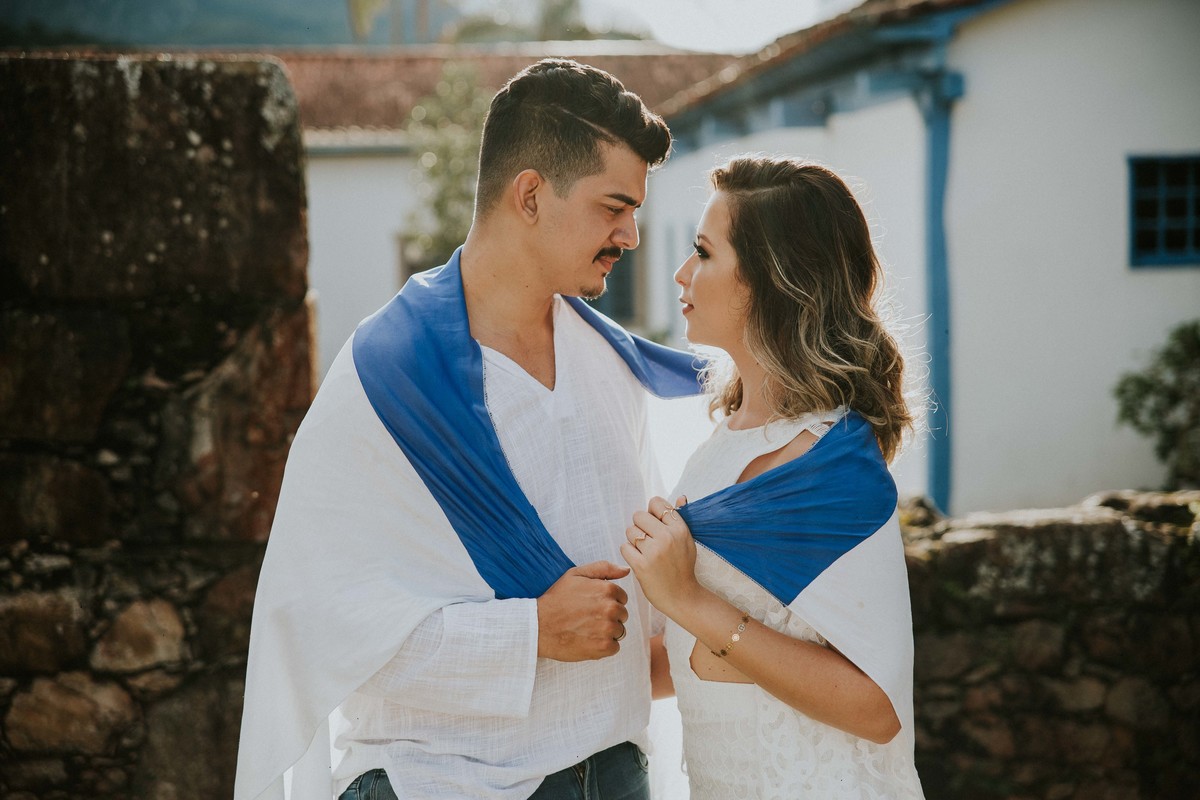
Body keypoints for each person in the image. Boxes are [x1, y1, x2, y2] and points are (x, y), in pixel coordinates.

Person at [234, 59, 703, 800]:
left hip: (615, 773)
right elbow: (321, 632)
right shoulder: (385, 379)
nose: (632, 235)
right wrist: (530, 634)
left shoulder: (615, 365)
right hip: (439, 780)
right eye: (614, 207)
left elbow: (645, 605)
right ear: (530, 195)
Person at [623, 156, 926, 799]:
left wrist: (686, 600)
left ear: (772, 283)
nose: (682, 273)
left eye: (704, 253)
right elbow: (711, 653)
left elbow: (877, 705)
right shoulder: (728, 438)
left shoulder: (825, 461)